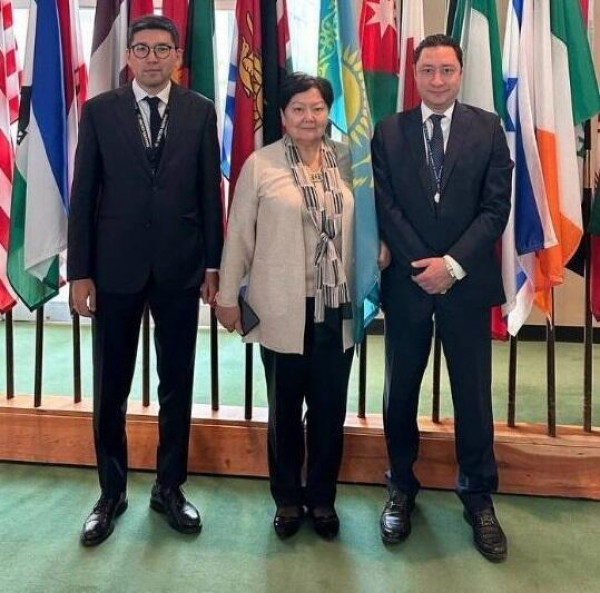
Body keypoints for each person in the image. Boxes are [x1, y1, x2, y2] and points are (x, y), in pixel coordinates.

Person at [68, 15, 223, 546]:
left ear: (177, 55)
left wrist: (213, 265)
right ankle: (110, 493)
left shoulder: (200, 111)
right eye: (142, 48)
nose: (152, 57)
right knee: (110, 385)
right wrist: (80, 271)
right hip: (114, 269)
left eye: (162, 48)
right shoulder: (100, 111)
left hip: (180, 267)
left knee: (176, 383)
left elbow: (209, 193)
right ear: (129, 56)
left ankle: (169, 487)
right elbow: (84, 194)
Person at [216, 73, 388, 540]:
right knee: (285, 411)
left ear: (328, 113)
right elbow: (239, 235)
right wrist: (227, 297)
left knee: (330, 412)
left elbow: (370, 221)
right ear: (283, 116)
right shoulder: (261, 164)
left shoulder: (350, 161)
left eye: (317, 108)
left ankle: (323, 499)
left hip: (336, 307)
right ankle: (288, 500)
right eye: (298, 109)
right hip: (280, 308)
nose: (308, 117)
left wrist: (380, 249)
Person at [372, 34, 512, 562]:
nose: (437, 80)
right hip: (408, 284)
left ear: (460, 73)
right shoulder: (389, 131)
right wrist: (423, 266)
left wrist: (450, 266)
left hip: (466, 284)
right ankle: (400, 488)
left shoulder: (488, 128)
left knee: (472, 395)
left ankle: (477, 497)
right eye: (427, 70)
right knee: (400, 391)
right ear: (414, 74)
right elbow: (384, 204)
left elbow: (496, 207)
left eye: (446, 70)